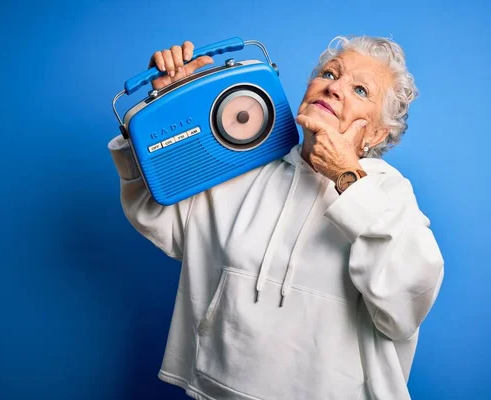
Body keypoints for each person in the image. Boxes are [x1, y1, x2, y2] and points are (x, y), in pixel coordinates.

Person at [108, 35, 445, 400]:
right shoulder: (245, 162)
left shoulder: (388, 194)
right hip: (215, 389)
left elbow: (406, 300)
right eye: (330, 74)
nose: (333, 88)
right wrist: (166, 107)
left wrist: (346, 177)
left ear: (378, 132)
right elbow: (159, 217)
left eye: (361, 90)